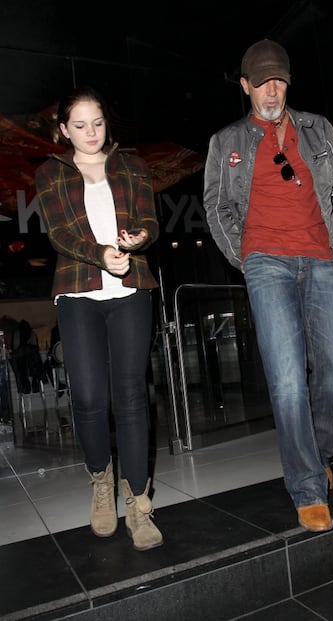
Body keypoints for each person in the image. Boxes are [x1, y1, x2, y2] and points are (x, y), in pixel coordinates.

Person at [203, 40, 333, 532]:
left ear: (288, 82)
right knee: (285, 379)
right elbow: (216, 207)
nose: (271, 89)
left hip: (321, 258)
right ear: (245, 86)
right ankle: (306, 488)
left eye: (278, 80)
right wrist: (247, 256)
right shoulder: (227, 141)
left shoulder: (317, 127)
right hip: (266, 263)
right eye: (261, 82)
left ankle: (315, 459)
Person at [35, 86, 163, 551]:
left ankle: (138, 502)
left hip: (131, 288)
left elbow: (149, 220)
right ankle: (100, 483)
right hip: (77, 289)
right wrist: (100, 254)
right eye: (80, 125)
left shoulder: (133, 165)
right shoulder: (49, 173)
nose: (91, 133)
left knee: (130, 396)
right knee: (89, 397)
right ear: (64, 130)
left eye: (98, 123)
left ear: (107, 125)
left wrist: (137, 238)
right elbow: (59, 233)